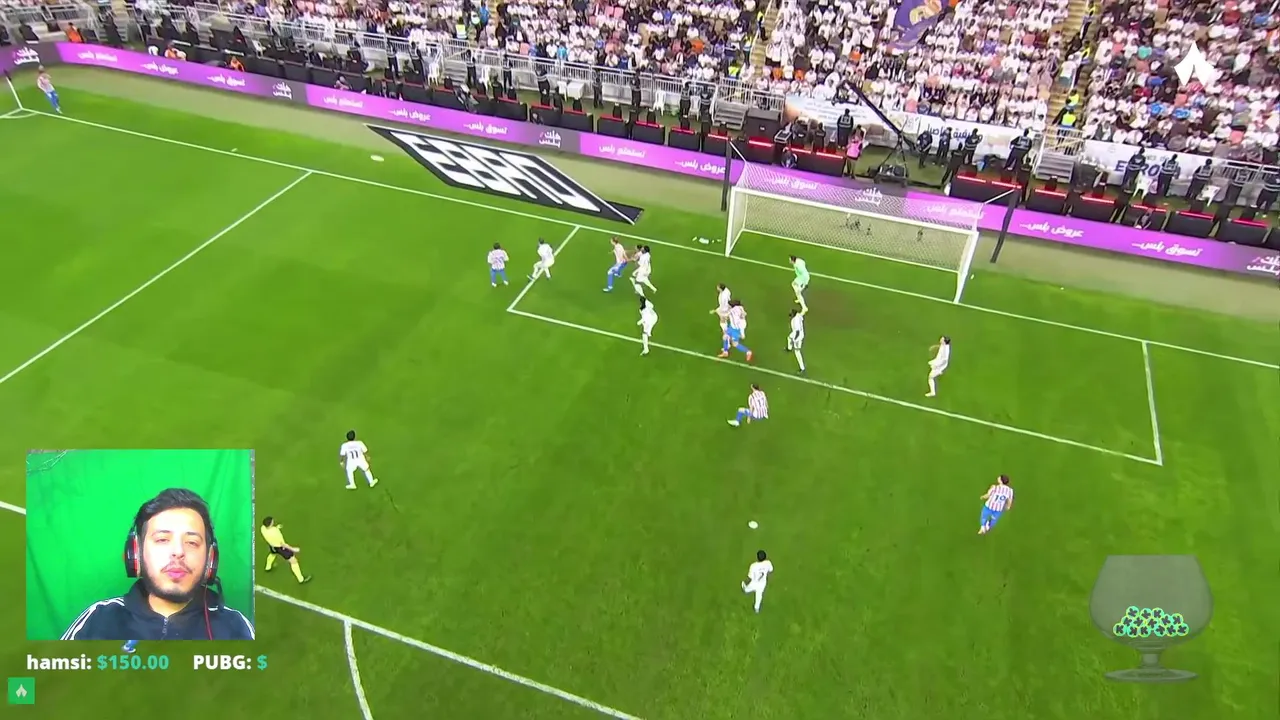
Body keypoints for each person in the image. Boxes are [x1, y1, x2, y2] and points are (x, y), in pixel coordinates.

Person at [60, 488, 255, 641]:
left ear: (210, 559)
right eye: (162, 539)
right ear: (135, 553)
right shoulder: (97, 620)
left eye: (192, 542)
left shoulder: (237, 628)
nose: (178, 551)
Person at [260, 517, 312, 584]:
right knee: (294, 561)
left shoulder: (262, 528)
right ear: (271, 523)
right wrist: (293, 549)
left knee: (272, 554)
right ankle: (301, 579)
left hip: (272, 546)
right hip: (280, 548)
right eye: (272, 521)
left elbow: (270, 531)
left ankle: (268, 567)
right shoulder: (276, 532)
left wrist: (276, 527)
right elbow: (283, 544)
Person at [786, 309, 806, 374]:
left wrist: (794, 340)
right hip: (795, 332)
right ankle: (789, 348)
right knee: (789, 338)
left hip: (798, 336)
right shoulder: (798, 315)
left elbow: (797, 332)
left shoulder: (796, 321)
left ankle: (802, 368)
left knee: (797, 352)